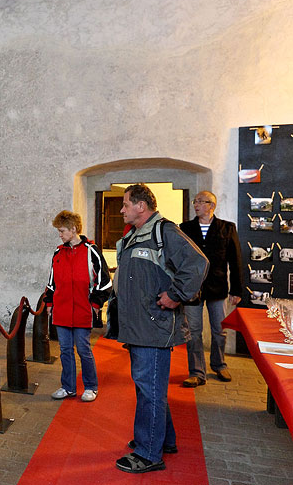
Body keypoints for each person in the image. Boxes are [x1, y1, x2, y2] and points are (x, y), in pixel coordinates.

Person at [114, 184, 208, 473]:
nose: (122, 209)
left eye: (126, 204)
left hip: (153, 326)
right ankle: (162, 439)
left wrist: (176, 294)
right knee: (149, 386)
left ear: (141, 206)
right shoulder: (134, 236)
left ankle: (148, 453)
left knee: (149, 389)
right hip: (139, 326)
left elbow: (197, 263)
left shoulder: (164, 231)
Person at [43, 210, 112, 402]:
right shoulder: (58, 252)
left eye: (63, 230)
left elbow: (105, 282)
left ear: (74, 230)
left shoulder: (92, 251)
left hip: (83, 310)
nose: (60, 234)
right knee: (65, 350)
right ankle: (68, 387)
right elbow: (52, 282)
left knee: (83, 350)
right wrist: (49, 302)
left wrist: (96, 303)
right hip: (62, 310)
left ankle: (91, 386)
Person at [179, 191, 242, 387]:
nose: (196, 205)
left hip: (218, 288)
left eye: (201, 202)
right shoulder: (185, 228)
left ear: (211, 205)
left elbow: (236, 260)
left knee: (219, 330)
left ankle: (219, 364)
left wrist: (237, 290)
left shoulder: (227, 228)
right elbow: (179, 259)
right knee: (193, 331)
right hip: (192, 290)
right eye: (195, 201)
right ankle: (197, 372)